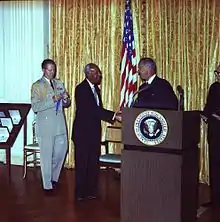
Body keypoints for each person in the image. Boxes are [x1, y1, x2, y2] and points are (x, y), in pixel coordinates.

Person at [72, 63, 121, 201]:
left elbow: (98, 111)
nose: (99, 75)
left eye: (99, 73)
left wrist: (112, 114)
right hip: (82, 133)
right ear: (88, 74)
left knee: (93, 163)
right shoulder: (81, 89)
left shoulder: (96, 89)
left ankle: (91, 191)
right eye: (96, 73)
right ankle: (80, 193)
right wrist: (113, 116)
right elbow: (92, 109)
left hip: (93, 132)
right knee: (82, 164)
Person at [31, 59, 71, 195]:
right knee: (46, 156)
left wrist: (66, 99)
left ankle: (54, 178)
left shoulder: (59, 83)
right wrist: (52, 100)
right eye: (49, 69)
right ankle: (47, 186)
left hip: (59, 124)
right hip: (46, 125)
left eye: (53, 69)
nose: (52, 72)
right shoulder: (37, 86)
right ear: (43, 70)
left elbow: (66, 103)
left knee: (62, 151)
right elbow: (35, 107)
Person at [202, 64, 220, 207]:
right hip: (215, 131)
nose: (217, 75)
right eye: (217, 72)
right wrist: (206, 114)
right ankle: (215, 199)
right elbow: (208, 107)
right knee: (214, 165)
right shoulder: (215, 88)